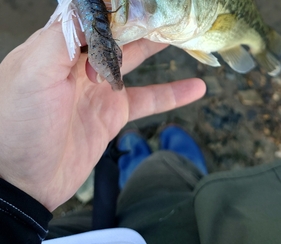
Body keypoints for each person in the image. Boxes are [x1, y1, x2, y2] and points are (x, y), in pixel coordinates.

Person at [1, 23, 281, 244]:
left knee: (135, 192)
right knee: (162, 173)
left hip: (51, 234)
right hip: (196, 226)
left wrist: (14, 197)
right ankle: (168, 167)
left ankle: (138, 174)